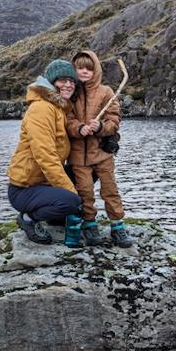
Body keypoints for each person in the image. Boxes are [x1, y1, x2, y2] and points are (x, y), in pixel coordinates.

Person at [7, 59, 85, 247]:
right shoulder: (42, 108)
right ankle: (29, 218)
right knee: (72, 202)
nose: (68, 85)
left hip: (43, 183)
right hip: (25, 188)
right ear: (51, 82)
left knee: (87, 171)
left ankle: (55, 217)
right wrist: (72, 194)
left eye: (72, 81)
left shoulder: (58, 108)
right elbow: (46, 157)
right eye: (62, 80)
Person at [66, 50, 133, 247]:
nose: (85, 72)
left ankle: (117, 225)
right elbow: (66, 121)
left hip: (103, 154)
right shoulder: (71, 94)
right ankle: (89, 224)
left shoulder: (106, 92)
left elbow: (114, 120)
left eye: (89, 68)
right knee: (84, 192)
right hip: (78, 157)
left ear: (96, 70)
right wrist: (79, 128)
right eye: (80, 68)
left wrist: (101, 127)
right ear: (74, 70)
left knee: (110, 189)